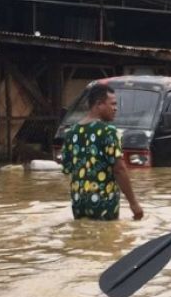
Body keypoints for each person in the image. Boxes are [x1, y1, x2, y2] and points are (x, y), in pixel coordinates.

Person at [60, 83, 144, 221]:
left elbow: (67, 169)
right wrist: (133, 203)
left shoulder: (71, 133)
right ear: (99, 104)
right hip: (103, 203)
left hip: (78, 203)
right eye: (112, 104)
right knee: (108, 239)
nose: (116, 108)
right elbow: (119, 169)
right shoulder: (108, 131)